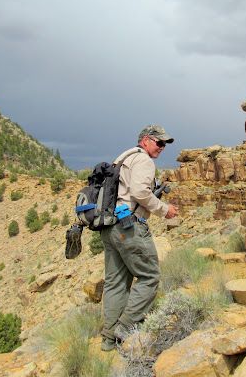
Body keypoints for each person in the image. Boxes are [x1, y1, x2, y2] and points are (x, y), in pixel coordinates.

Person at [100, 124, 179, 352]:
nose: (162, 147)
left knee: (115, 283)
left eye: (164, 144)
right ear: (146, 140)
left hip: (111, 227)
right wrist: (164, 209)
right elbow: (139, 192)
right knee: (150, 276)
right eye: (159, 142)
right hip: (130, 227)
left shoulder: (123, 157)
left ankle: (108, 340)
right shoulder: (144, 160)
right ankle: (125, 328)